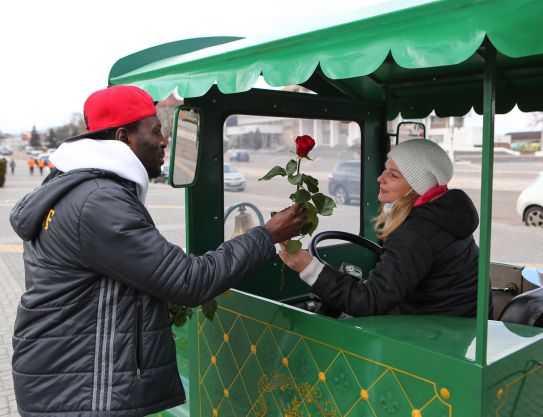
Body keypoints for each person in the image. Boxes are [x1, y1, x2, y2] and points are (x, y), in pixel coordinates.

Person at [9, 85, 307, 417]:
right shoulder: (98, 201)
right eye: (156, 130)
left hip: (65, 380)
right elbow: (188, 281)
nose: (165, 141)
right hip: (81, 392)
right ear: (124, 138)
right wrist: (267, 235)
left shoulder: (80, 189)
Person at [280, 139, 486, 318]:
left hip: (433, 337)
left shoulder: (416, 233)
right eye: (385, 169)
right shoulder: (443, 214)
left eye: (394, 175)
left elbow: (369, 303)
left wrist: (308, 267)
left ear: (417, 186)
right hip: (456, 325)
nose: (380, 178)